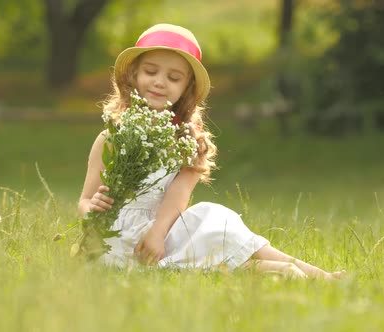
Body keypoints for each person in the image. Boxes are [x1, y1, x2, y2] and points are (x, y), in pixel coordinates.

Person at [78, 23, 344, 280]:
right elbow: (85, 201)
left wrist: (158, 234)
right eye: (150, 72)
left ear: (186, 89)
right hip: (122, 238)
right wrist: (93, 209)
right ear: (133, 76)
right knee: (205, 264)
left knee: (215, 221)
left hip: (164, 229)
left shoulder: (185, 140)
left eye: (173, 77)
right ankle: (283, 272)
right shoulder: (111, 138)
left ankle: (318, 275)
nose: (159, 82)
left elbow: (177, 198)